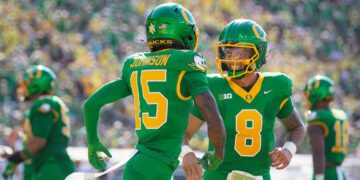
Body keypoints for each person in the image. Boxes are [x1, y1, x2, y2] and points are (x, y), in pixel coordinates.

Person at [83, 2, 226, 180]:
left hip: (140, 163)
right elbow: (212, 116)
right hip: (157, 167)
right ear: (185, 33)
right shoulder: (186, 61)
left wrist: (93, 143)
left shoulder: (134, 64)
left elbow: (91, 104)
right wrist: (217, 151)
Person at [181, 19, 305, 180]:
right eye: (228, 52)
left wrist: (289, 150)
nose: (231, 58)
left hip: (259, 176)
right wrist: (186, 153)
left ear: (257, 54)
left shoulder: (275, 87)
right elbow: (183, 132)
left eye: (239, 52)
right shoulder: (213, 87)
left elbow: (296, 127)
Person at [2, 65, 75, 180]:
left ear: (36, 84)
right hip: (53, 164)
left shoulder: (43, 103)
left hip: (51, 165)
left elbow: (39, 141)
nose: (23, 87)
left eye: (26, 83)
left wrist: (15, 159)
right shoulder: (52, 102)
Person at [304, 75, 349, 180]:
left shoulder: (317, 117)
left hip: (325, 173)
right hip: (339, 172)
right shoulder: (340, 115)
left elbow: (318, 153)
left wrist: (319, 177)